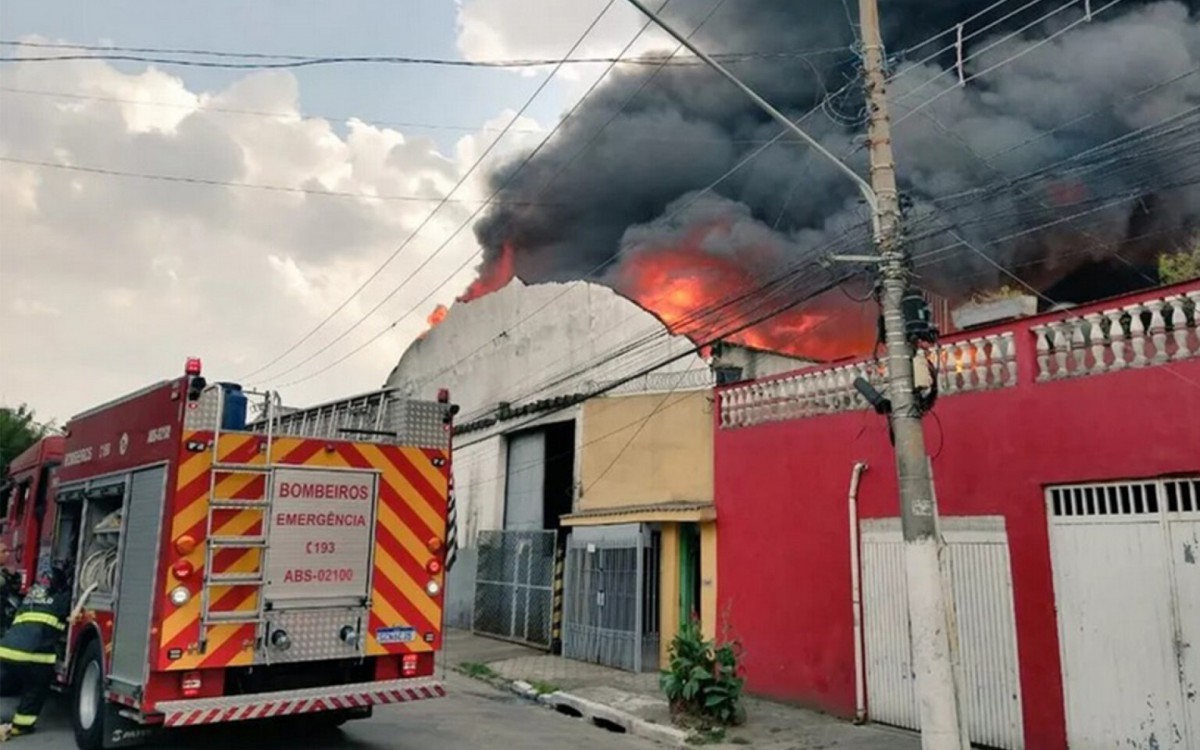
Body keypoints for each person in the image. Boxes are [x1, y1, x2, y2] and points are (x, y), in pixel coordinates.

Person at [0, 567, 74, 740]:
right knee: (34, 689)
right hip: (34, 655)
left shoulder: (30, 599)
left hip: (6, 652)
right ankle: (21, 726)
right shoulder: (61, 600)